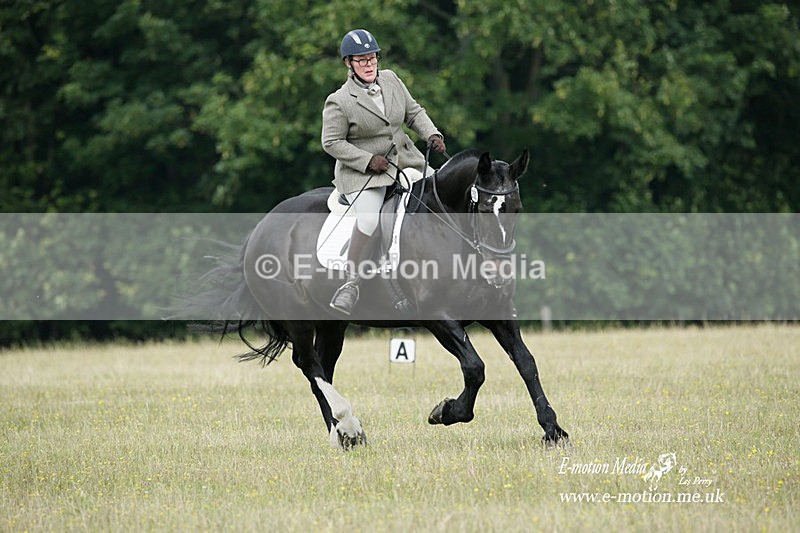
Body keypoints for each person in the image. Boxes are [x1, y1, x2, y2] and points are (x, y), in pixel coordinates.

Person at [322, 28, 446, 315]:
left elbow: (414, 112)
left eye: (372, 58)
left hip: (407, 162)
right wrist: (367, 160)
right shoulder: (339, 100)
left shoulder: (390, 79)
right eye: (361, 60)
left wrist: (432, 133)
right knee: (369, 220)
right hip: (366, 175)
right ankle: (351, 283)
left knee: (440, 200)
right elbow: (331, 142)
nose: (369, 64)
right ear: (348, 63)